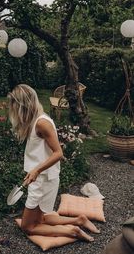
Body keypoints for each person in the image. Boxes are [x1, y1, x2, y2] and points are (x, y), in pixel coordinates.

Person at [7, 84, 100, 242]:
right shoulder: (36, 120)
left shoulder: (41, 123)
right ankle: (79, 220)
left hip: (41, 180)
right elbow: (47, 151)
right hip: (41, 177)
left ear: (23, 105)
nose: (13, 109)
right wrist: (34, 171)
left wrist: (36, 171)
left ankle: (73, 231)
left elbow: (58, 153)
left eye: (14, 105)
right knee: (43, 219)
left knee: (27, 227)